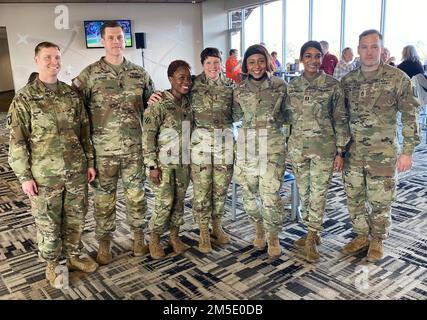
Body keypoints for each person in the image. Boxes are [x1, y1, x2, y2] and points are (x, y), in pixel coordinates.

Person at [7, 42, 98, 288]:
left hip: (76, 171)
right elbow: (17, 142)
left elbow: (84, 131)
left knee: (76, 218)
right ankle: (52, 264)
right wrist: (24, 176)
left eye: (57, 57)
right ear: (37, 60)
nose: (54, 62)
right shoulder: (24, 99)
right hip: (45, 176)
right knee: (48, 223)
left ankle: (74, 256)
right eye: (47, 57)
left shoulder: (70, 95)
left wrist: (89, 161)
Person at [72, 21, 155, 265]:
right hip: (102, 152)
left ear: (125, 39)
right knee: (104, 201)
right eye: (111, 38)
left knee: (137, 197)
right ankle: (104, 243)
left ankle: (139, 237)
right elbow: (76, 113)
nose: (116, 42)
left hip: (134, 151)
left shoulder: (139, 74)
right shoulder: (89, 75)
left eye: (120, 37)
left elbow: (152, 107)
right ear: (102, 41)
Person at [341, 29, 419, 262]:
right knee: (354, 197)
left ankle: (377, 239)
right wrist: (339, 150)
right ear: (358, 50)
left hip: (383, 153)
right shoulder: (348, 81)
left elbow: (410, 116)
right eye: (364, 47)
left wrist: (407, 151)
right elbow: (340, 118)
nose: (369, 51)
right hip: (353, 152)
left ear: (382, 49)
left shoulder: (397, 79)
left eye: (374, 46)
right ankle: (362, 235)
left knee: (381, 199)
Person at [286, 41, 350, 262]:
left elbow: (341, 120)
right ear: (302, 59)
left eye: (317, 56)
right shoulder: (292, 86)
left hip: (324, 149)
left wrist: (341, 152)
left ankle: (312, 236)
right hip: (298, 149)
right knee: (304, 193)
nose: (313, 60)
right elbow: (287, 118)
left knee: (318, 194)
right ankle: (311, 230)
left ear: (322, 58)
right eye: (308, 56)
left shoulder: (332, 85)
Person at [232, 44, 287, 259]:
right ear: (246, 64)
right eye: (252, 62)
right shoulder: (239, 89)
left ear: (267, 62)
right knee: (248, 197)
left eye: (261, 61)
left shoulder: (280, 86)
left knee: (270, 196)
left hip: (272, 148)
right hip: (247, 149)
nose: (257, 66)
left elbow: (288, 114)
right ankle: (258, 228)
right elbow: (234, 115)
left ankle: (273, 236)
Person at [142, 60, 193, 260]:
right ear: (170, 79)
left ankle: (174, 236)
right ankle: (154, 238)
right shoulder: (159, 103)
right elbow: (147, 136)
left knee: (179, 201)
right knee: (164, 202)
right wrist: (152, 165)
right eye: (181, 78)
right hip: (163, 164)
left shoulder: (189, 101)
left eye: (189, 77)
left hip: (184, 163)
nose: (186, 82)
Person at [190, 48, 234, 253]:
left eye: (216, 62)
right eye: (208, 63)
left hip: (224, 145)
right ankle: (203, 232)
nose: (212, 67)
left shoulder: (230, 85)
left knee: (220, 189)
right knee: (202, 190)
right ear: (202, 64)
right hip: (200, 146)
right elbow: (174, 95)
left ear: (221, 63)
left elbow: (241, 111)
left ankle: (217, 226)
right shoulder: (192, 84)